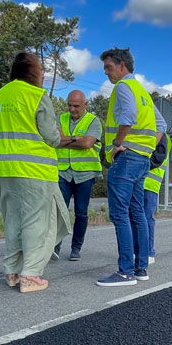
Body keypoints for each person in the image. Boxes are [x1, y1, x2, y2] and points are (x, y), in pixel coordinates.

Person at [0, 52, 69, 293]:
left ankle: (12, 271)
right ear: (33, 71)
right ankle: (31, 275)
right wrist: (58, 132)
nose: (43, 75)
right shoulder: (36, 95)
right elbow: (52, 137)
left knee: (13, 221)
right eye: (41, 71)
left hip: (3, 169)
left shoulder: (0, 95)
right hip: (34, 170)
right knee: (37, 222)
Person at [96, 47, 165, 287]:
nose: (107, 73)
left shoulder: (123, 87)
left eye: (109, 67)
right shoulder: (142, 92)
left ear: (122, 65)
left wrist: (117, 145)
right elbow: (161, 124)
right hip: (141, 160)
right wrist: (146, 148)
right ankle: (140, 268)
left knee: (120, 214)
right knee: (137, 213)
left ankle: (125, 272)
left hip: (126, 161)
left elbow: (128, 116)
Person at [53, 89, 102, 262]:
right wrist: (76, 139)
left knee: (81, 212)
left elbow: (88, 143)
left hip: (85, 174)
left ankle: (76, 248)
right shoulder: (59, 119)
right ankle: (55, 246)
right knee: (59, 211)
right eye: (69, 105)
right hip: (63, 172)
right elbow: (55, 140)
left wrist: (66, 139)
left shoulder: (93, 121)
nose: (72, 109)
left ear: (85, 105)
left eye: (76, 106)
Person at [134, 133, 171, 267]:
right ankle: (138, 251)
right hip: (139, 181)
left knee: (147, 218)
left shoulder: (162, 136)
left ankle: (148, 252)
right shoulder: (148, 133)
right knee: (138, 218)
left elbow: (156, 157)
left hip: (150, 183)